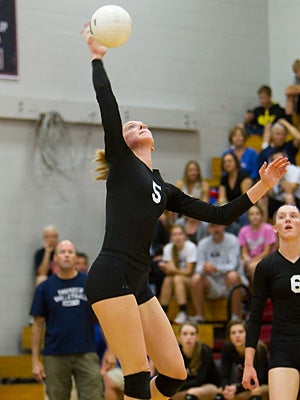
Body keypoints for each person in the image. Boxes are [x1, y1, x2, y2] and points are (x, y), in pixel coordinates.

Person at [81, 26, 289, 400]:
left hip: (139, 282)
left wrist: (265, 186)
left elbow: (223, 214)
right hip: (110, 275)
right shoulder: (123, 165)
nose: (136, 124)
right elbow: (107, 107)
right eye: (130, 127)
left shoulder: (166, 189)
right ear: (122, 144)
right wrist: (97, 58)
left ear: (153, 141)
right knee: (136, 374)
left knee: (175, 374)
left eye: (140, 124)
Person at [30, 240, 105, 400]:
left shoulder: (89, 283)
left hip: (86, 352)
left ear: (75, 258)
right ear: (55, 258)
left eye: (70, 252)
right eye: (62, 252)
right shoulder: (44, 288)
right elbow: (37, 325)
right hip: (55, 354)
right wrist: (35, 360)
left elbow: (104, 318)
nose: (66, 255)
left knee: (94, 396)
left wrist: (111, 351)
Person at [242, 204, 300, 400]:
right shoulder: (266, 266)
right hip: (283, 348)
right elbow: (255, 316)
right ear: (274, 227)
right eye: (282, 217)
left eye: (293, 216)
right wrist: (248, 364)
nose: (288, 220)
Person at [191, 224, 248, 323]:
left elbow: (233, 265)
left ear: (223, 226)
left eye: (218, 226)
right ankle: (199, 316)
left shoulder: (232, 240)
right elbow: (198, 268)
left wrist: (216, 269)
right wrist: (205, 269)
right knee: (196, 278)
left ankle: (236, 317)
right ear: (208, 229)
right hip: (212, 283)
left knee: (232, 275)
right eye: (212, 227)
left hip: (232, 282)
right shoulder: (202, 243)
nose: (215, 229)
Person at [218, 319, 269, 400]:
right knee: (221, 392)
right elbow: (225, 375)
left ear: (247, 334)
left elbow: (260, 378)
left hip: (265, 384)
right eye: (233, 333)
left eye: (241, 332)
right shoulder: (228, 348)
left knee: (255, 391)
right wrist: (226, 388)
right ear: (229, 336)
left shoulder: (259, 348)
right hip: (247, 385)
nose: (237, 335)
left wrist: (237, 388)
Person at [158, 224, 197, 324]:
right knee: (167, 279)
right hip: (176, 281)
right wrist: (170, 269)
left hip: (191, 282)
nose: (177, 237)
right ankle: (164, 312)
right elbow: (170, 270)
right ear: (171, 237)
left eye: (180, 234)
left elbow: (188, 272)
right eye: (174, 234)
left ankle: (183, 312)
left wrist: (171, 269)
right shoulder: (168, 248)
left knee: (177, 278)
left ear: (185, 235)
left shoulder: (191, 247)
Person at [170, 321, 220, 400]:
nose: (188, 337)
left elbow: (199, 380)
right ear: (179, 337)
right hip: (186, 387)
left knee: (191, 393)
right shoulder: (175, 352)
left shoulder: (205, 351)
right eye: (185, 334)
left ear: (197, 337)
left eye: (192, 334)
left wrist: (174, 388)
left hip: (208, 385)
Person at [238, 204, 276, 285]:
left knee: (254, 267)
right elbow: (244, 251)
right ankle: (243, 292)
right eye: (252, 214)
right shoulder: (243, 231)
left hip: (267, 259)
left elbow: (267, 252)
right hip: (251, 259)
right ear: (248, 217)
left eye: (257, 213)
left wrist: (251, 262)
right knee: (238, 265)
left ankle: (257, 294)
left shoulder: (268, 229)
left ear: (261, 215)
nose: (255, 217)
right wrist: (247, 260)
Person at [218, 153, 253, 232]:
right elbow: (221, 198)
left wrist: (231, 210)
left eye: (229, 161)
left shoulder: (244, 177)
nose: (227, 164)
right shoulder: (224, 179)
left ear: (236, 163)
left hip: (243, 207)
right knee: (216, 209)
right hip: (230, 208)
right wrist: (224, 207)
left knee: (244, 214)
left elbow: (245, 200)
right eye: (225, 162)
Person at [285, 59, 300, 126]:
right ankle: (289, 119)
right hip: (297, 106)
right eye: (295, 72)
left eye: (297, 71)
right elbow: (287, 90)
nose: (296, 74)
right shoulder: (296, 79)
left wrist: (295, 89)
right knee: (290, 97)